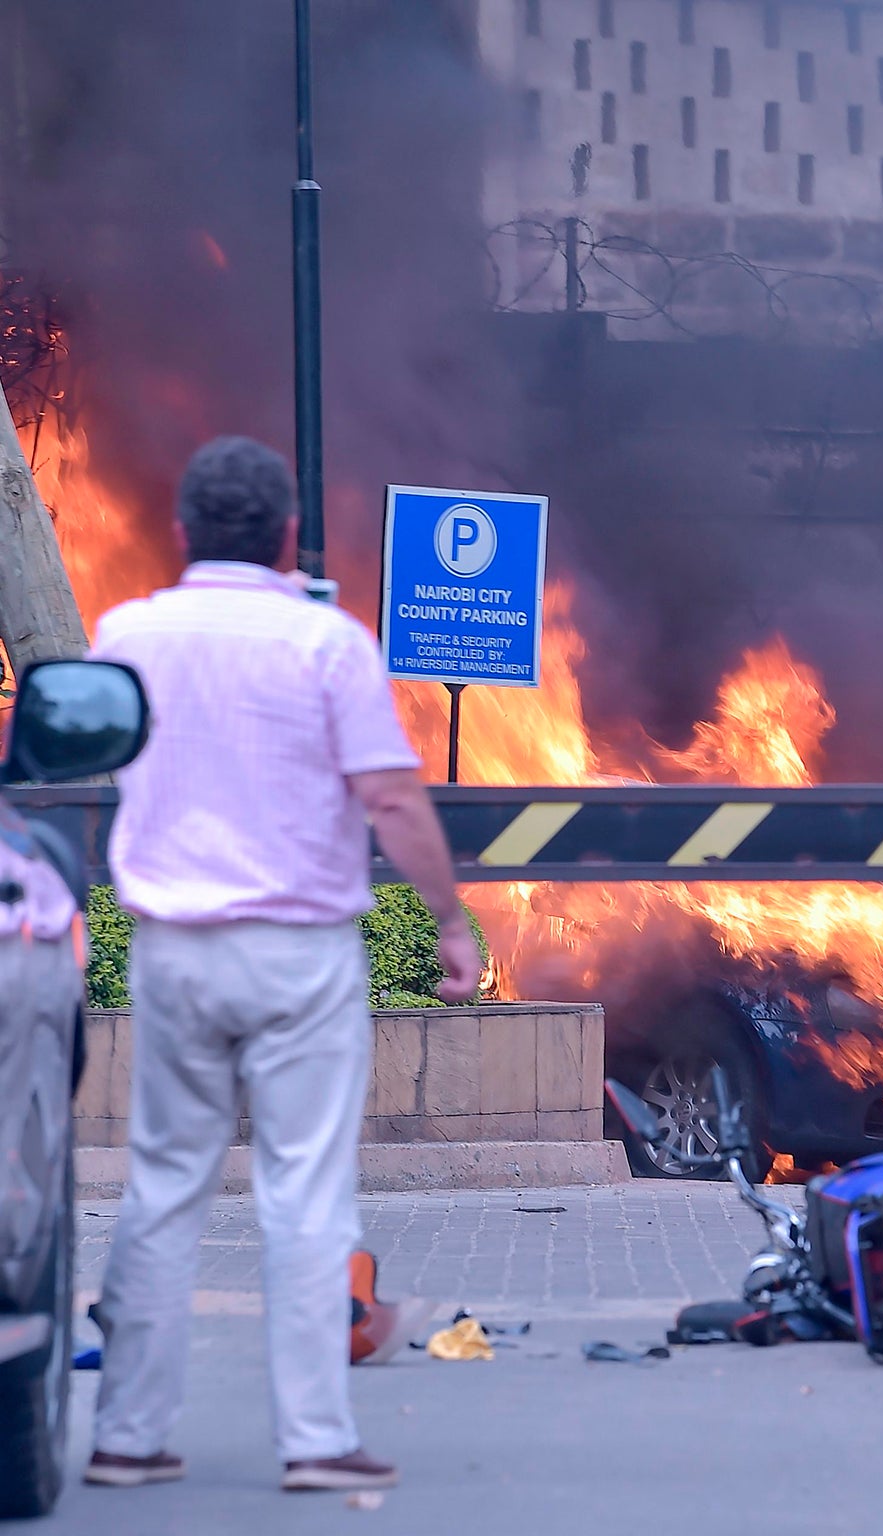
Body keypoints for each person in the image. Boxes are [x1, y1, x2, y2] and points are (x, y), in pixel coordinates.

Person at [84, 437, 481, 1494]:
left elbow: (99, 763)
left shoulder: (124, 632)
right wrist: (449, 919)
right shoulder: (327, 643)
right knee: (305, 1189)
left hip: (172, 948)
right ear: (289, 537)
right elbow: (392, 797)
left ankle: (126, 1436)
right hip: (300, 953)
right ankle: (313, 1440)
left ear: (180, 533)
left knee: (164, 1186)